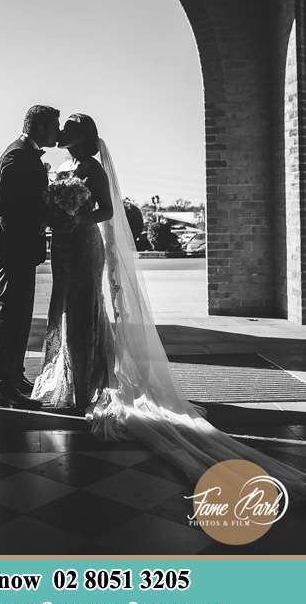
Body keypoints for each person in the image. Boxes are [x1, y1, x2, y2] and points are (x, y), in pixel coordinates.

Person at [32, 113, 306, 497]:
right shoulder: (65, 166)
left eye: (69, 130)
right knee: (65, 311)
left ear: (82, 136)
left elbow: (108, 212)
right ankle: (72, 380)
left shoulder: (92, 169)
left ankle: (84, 390)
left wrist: (77, 217)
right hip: (65, 247)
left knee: (84, 313)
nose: (62, 133)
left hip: (84, 245)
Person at [0, 104, 60, 409]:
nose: (57, 132)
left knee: (20, 315)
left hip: (21, 248)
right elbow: (8, 207)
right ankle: (3, 387)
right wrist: (49, 215)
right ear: (40, 127)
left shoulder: (25, 155)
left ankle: (15, 376)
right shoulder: (16, 156)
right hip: (13, 247)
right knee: (10, 315)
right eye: (54, 126)